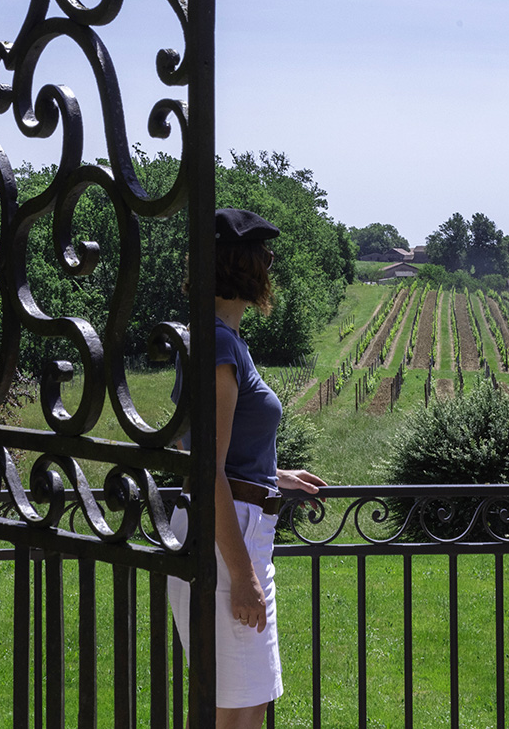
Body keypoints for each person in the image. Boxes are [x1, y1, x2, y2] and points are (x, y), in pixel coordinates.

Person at [167, 207, 327, 728]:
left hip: (231, 529)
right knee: (239, 714)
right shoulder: (217, 345)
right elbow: (206, 466)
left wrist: (276, 477)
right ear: (246, 268)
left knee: (241, 707)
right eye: (264, 257)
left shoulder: (218, 340)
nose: (271, 266)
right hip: (228, 539)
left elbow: (214, 452)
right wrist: (241, 575)